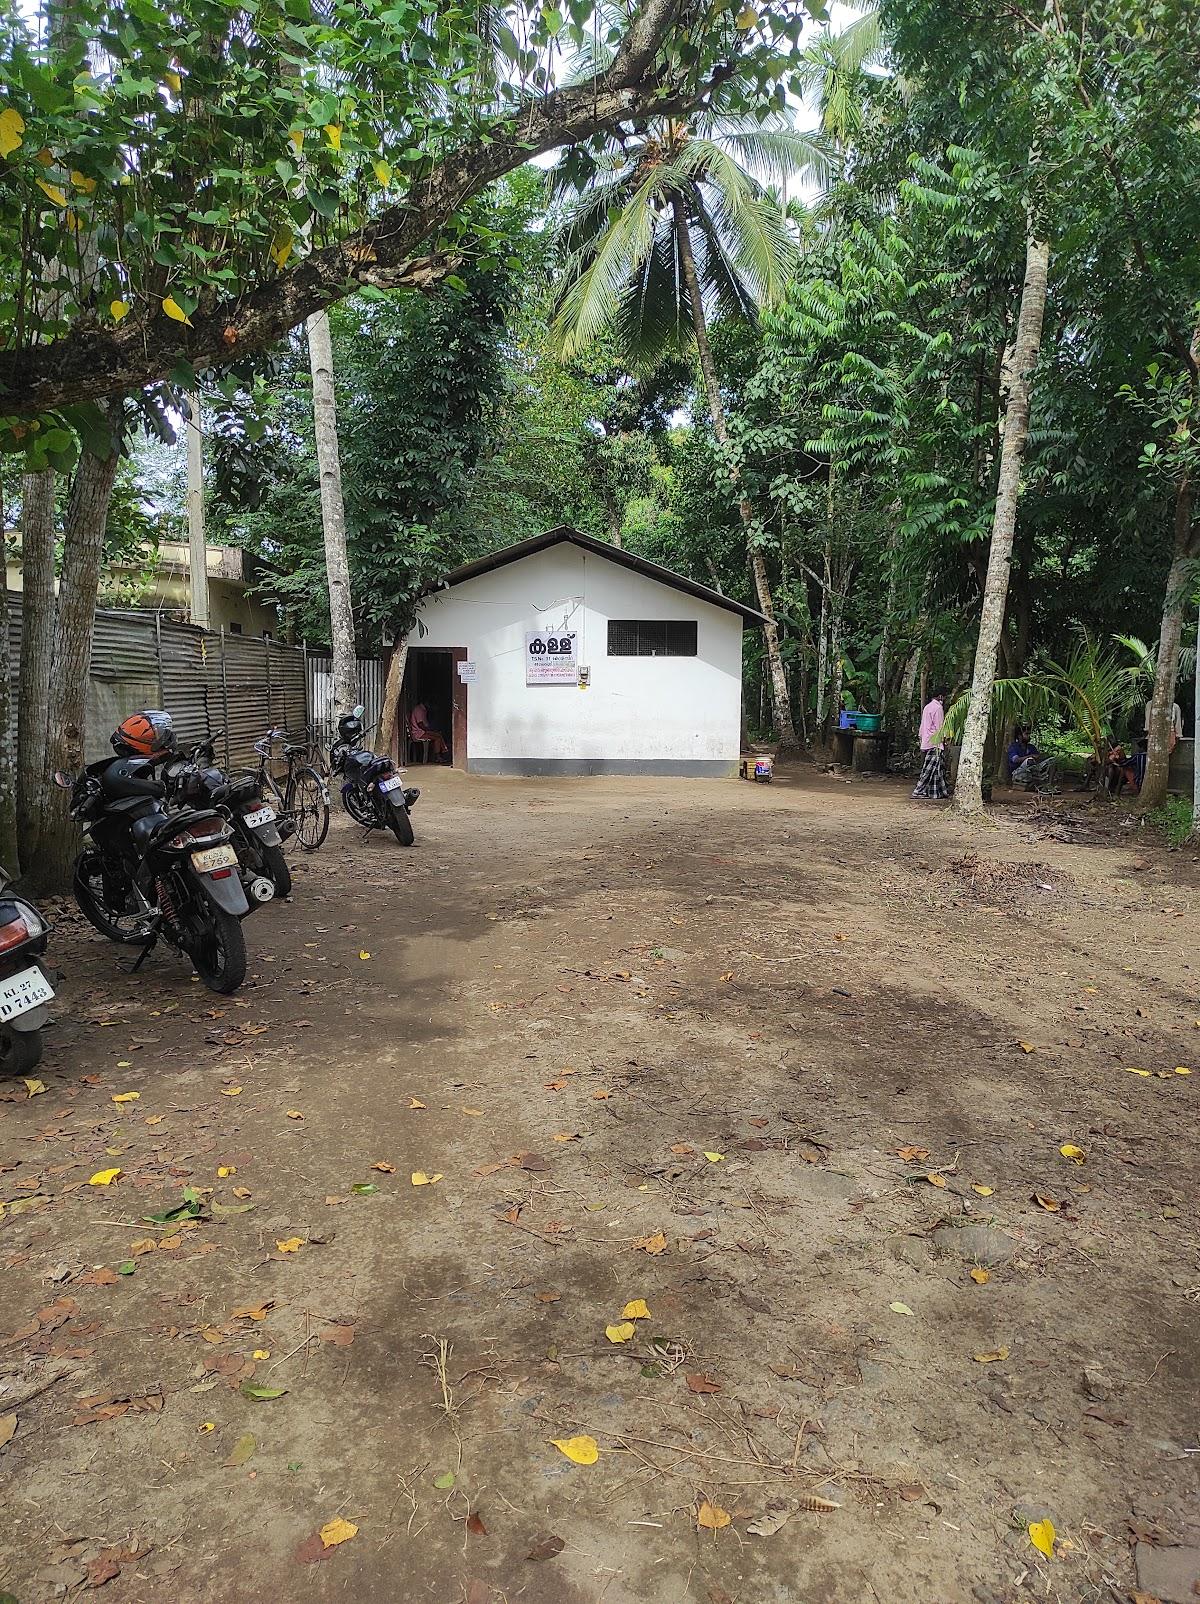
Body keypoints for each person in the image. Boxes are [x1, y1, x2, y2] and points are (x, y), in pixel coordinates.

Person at [912, 689, 950, 799]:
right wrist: (945, 739)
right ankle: (918, 791)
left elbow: (923, 725)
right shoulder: (938, 708)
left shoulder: (927, 707)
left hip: (928, 740)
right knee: (929, 769)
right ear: (940, 696)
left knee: (937, 768)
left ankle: (936, 792)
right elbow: (939, 726)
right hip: (935, 742)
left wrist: (921, 737)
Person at [1006, 726, 1056, 790]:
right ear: (1019, 736)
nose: (1029, 736)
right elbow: (1015, 760)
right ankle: (1038, 781)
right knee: (1030, 760)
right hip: (1018, 772)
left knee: (1052, 760)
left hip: (1034, 769)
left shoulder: (1031, 747)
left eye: (1029, 734)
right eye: (1026, 734)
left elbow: (1037, 757)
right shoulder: (1013, 747)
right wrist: (1030, 756)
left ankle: (1048, 784)